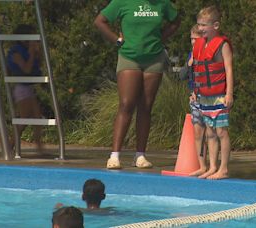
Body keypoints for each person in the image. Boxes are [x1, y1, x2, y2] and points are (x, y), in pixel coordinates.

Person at [94, 0, 181, 169]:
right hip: (129, 57)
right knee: (126, 104)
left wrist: (161, 37)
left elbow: (176, 21)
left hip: (154, 59)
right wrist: (117, 40)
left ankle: (140, 155)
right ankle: (114, 155)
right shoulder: (123, 2)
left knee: (146, 106)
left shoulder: (162, 3)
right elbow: (100, 21)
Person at [188, 6, 234, 179]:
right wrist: (195, 91)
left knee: (221, 131)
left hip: (219, 96)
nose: (200, 29)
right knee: (210, 133)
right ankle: (212, 167)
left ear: (215, 25)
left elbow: (229, 70)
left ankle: (224, 168)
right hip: (204, 96)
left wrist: (229, 94)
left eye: (204, 25)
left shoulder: (222, 45)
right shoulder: (199, 45)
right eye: (199, 25)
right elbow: (196, 71)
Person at [6, 24, 43, 153]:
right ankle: (10, 145)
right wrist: (32, 53)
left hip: (28, 88)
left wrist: (37, 53)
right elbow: (26, 69)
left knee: (37, 118)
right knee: (24, 119)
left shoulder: (26, 51)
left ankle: (39, 147)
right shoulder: (16, 53)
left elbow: (37, 67)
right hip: (21, 89)